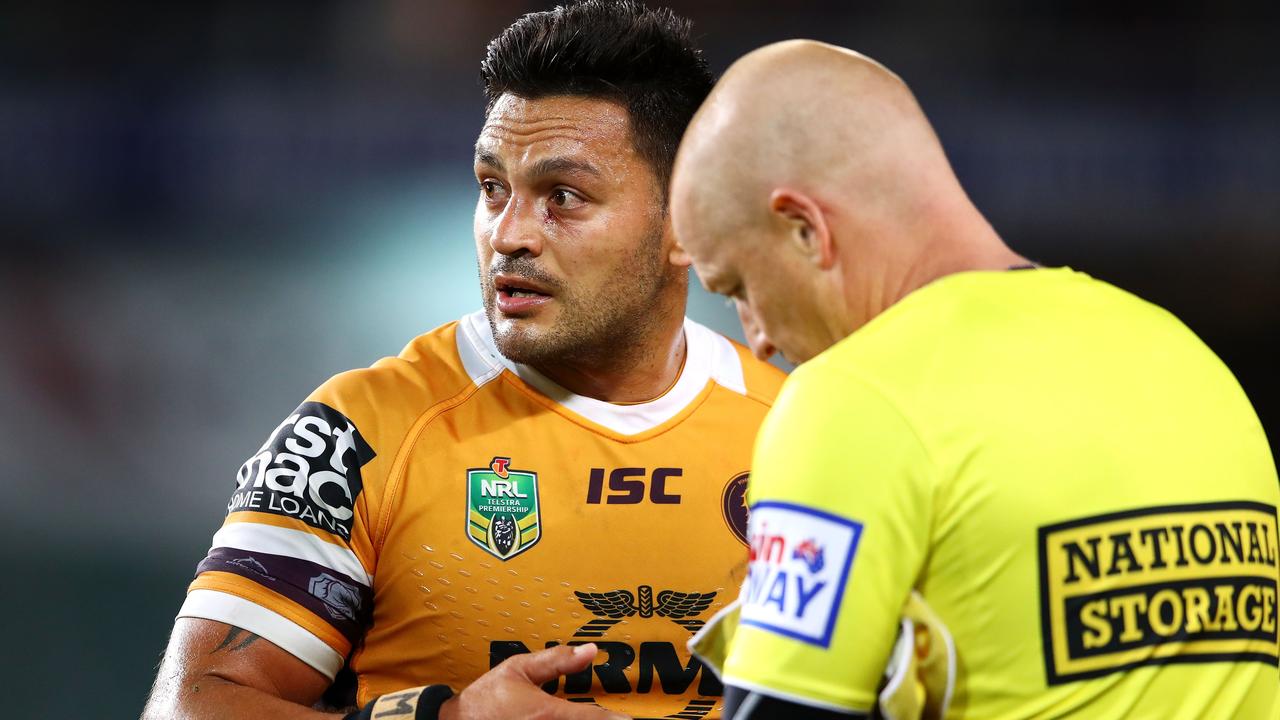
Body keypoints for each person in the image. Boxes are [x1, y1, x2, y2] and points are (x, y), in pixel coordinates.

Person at [141, 3, 786, 719]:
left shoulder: (797, 434)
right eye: (492, 188)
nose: (509, 235)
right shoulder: (357, 434)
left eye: (563, 197)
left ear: (687, 221)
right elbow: (191, 707)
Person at [670, 40, 1280, 719]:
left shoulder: (855, 399)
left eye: (739, 287)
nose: (757, 336)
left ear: (806, 229)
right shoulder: (1194, 367)